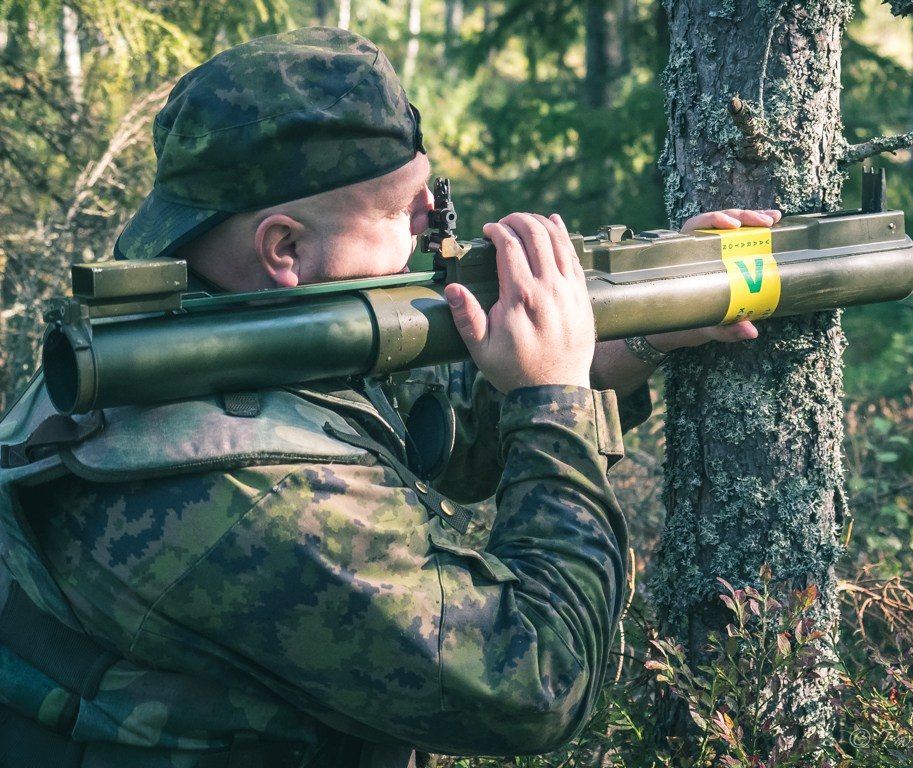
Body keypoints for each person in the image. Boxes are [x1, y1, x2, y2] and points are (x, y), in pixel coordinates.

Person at [0, 28, 780, 768]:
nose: (434, 230)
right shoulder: (246, 494)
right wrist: (554, 398)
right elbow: (538, 678)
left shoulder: (205, 329)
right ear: (285, 248)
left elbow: (438, 428)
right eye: (410, 210)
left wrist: (627, 338)